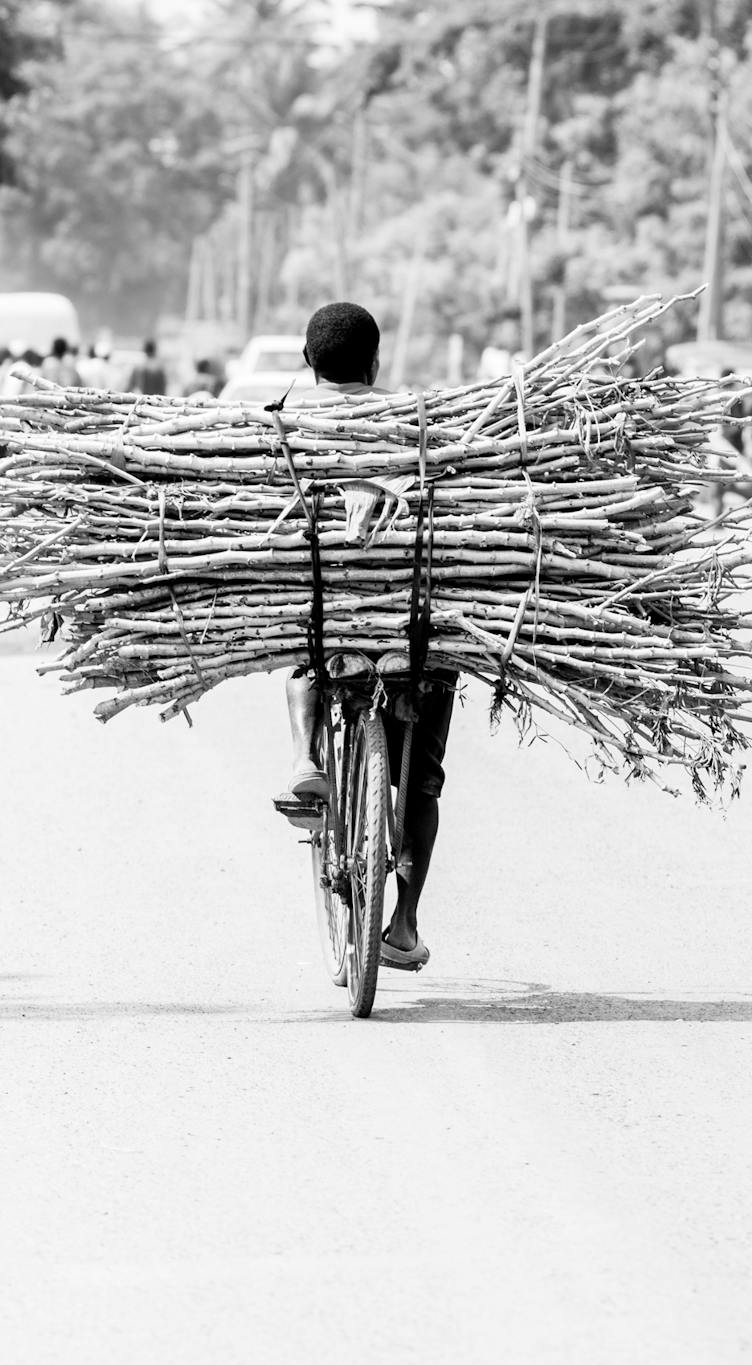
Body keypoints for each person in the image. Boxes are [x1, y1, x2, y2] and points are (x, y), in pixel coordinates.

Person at [281, 301, 451, 973]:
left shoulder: (285, 427)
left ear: (308, 362)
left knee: (302, 637)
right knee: (426, 780)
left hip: (328, 621)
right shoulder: (416, 425)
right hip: (414, 631)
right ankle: (402, 923)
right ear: (376, 364)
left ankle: (304, 756)